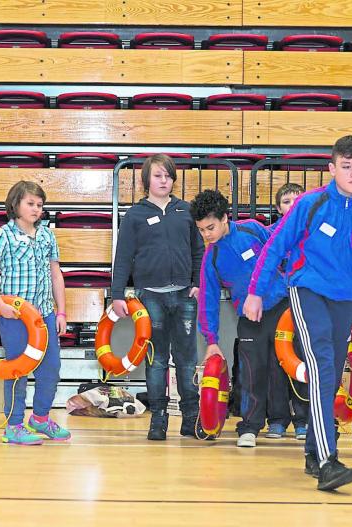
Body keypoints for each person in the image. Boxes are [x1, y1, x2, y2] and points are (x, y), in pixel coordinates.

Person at [244, 135, 352, 491]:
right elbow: (275, 247)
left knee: (332, 374)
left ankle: (311, 452)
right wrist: (256, 293)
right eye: (347, 166)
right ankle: (327, 460)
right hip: (307, 291)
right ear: (332, 168)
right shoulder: (310, 204)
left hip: (344, 302)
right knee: (321, 366)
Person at [110, 154, 204, 441]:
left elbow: (198, 250)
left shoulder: (186, 211)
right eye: (158, 176)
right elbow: (123, 257)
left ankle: (191, 418)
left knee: (187, 359)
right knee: (157, 359)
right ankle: (158, 420)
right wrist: (117, 294)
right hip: (150, 297)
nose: (164, 181)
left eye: (168, 176)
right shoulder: (135, 216)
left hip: (184, 295)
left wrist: (197, 283)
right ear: (146, 181)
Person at [191, 189, 289, 448]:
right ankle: (250, 425)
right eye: (201, 230)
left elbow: (281, 248)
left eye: (210, 227)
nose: (206, 235)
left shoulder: (252, 230)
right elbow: (208, 302)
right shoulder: (210, 258)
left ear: (225, 218)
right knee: (250, 370)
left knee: (282, 367)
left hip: (282, 307)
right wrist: (211, 340)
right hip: (248, 317)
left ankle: (282, 421)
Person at [0, 181, 69, 445]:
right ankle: (14, 424)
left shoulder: (47, 235)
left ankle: (40, 418)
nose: (36, 209)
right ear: (16, 204)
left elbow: (56, 274)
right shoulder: (3, 235)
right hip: (16, 318)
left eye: (40, 205)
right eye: (30, 203)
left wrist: (61, 312)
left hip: (45, 315)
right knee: (17, 368)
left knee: (51, 368)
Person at [265, 183, 309, 441]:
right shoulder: (269, 234)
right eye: (285, 202)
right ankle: (277, 420)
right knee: (276, 363)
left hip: (304, 304)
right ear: (278, 208)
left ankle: (302, 419)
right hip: (277, 305)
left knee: (303, 360)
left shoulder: (312, 236)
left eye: (296, 200)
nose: (291, 206)